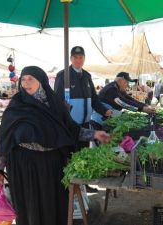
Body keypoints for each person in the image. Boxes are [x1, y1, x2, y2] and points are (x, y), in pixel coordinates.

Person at [0, 66, 110, 225]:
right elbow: (5, 139)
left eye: (31, 79)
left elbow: (71, 129)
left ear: (41, 82)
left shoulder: (54, 104)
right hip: (25, 166)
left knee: (52, 205)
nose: (26, 83)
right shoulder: (16, 106)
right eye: (24, 79)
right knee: (30, 206)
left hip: (51, 165)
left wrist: (94, 134)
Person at [54, 46, 112, 192]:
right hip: (70, 125)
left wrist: (105, 111)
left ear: (84, 59)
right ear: (71, 58)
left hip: (85, 124)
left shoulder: (87, 76)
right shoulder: (63, 76)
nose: (78, 60)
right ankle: (69, 187)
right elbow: (57, 101)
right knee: (69, 156)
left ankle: (84, 185)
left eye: (81, 57)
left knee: (83, 154)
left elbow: (94, 99)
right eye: (75, 57)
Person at [91, 72, 156, 128]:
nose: (128, 85)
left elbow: (130, 99)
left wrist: (145, 106)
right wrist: (142, 109)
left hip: (108, 119)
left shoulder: (118, 88)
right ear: (120, 80)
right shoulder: (111, 89)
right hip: (99, 121)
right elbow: (123, 103)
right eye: (126, 82)